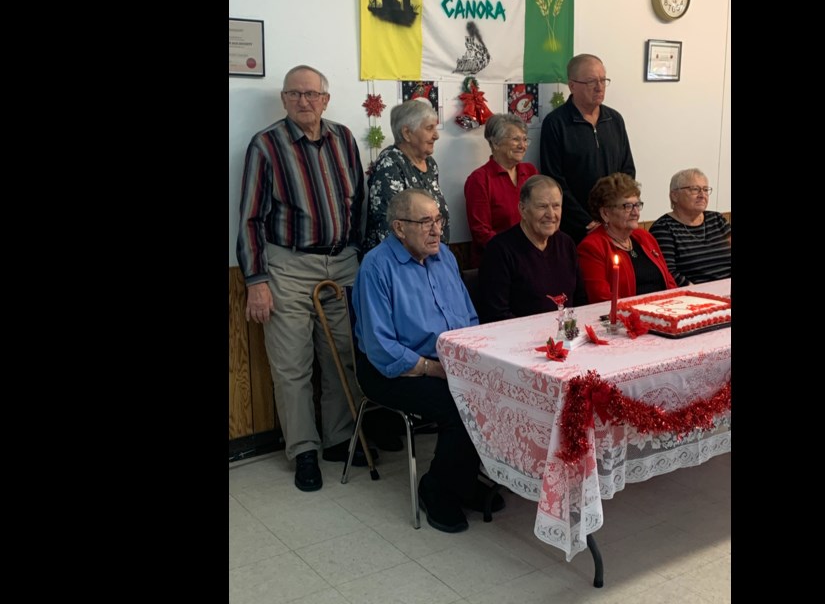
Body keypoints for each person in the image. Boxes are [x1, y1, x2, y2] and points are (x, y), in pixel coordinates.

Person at [236, 65, 370, 492]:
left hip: (342, 263)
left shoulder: (344, 138)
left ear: (326, 100)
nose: (304, 102)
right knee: (292, 366)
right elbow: (251, 219)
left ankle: (339, 439)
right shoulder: (266, 145)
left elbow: (360, 204)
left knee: (343, 357)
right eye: (294, 94)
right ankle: (304, 450)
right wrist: (256, 280)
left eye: (312, 94)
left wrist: (360, 257)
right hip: (288, 268)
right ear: (284, 99)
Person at [352, 188, 505, 533]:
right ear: (398, 228)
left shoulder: (445, 257)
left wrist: (472, 359)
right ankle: (436, 488)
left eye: (438, 219)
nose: (437, 229)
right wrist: (434, 369)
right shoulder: (376, 266)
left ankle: (463, 479)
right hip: (394, 369)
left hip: (447, 360)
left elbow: (468, 318)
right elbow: (380, 347)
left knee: (497, 391)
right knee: (458, 406)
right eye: (425, 222)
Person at [539, 53, 636, 244]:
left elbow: (628, 171)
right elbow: (554, 179)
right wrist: (586, 221)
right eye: (591, 81)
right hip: (575, 229)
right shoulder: (556, 123)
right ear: (572, 85)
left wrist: (618, 212)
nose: (599, 87)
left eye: (603, 80)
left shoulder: (614, 119)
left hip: (615, 223)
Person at [478, 175, 587, 323]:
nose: (551, 214)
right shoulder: (499, 250)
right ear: (522, 209)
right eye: (542, 206)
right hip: (519, 340)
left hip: (567, 337)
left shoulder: (566, 244)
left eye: (556, 206)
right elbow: (496, 315)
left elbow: (581, 302)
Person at [363, 99, 450, 253]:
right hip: (400, 264)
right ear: (407, 133)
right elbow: (388, 228)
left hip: (431, 257)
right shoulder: (390, 165)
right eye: (429, 128)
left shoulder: (430, 164)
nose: (436, 135)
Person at [577, 173, 677, 303]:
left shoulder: (645, 237)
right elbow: (601, 298)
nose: (636, 212)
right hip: (627, 318)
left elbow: (669, 282)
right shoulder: (592, 247)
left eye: (637, 205)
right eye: (627, 206)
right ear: (605, 213)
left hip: (664, 312)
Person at [463, 113, 538, 268]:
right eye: (515, 139)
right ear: (495, 143)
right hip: (499, 262)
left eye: (525, 139)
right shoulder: (479, 179)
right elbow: (481, 232)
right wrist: (515, 253)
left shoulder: (530, 172)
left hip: (533, 256)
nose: (522, 145)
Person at [649, 168, 732, 285]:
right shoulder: (663, 228)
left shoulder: (717, 219)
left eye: (705, 189)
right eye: (695, 189)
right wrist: (696, 292)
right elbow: (668, 272)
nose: (702, 195)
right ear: (674, 196)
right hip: (695, 295)